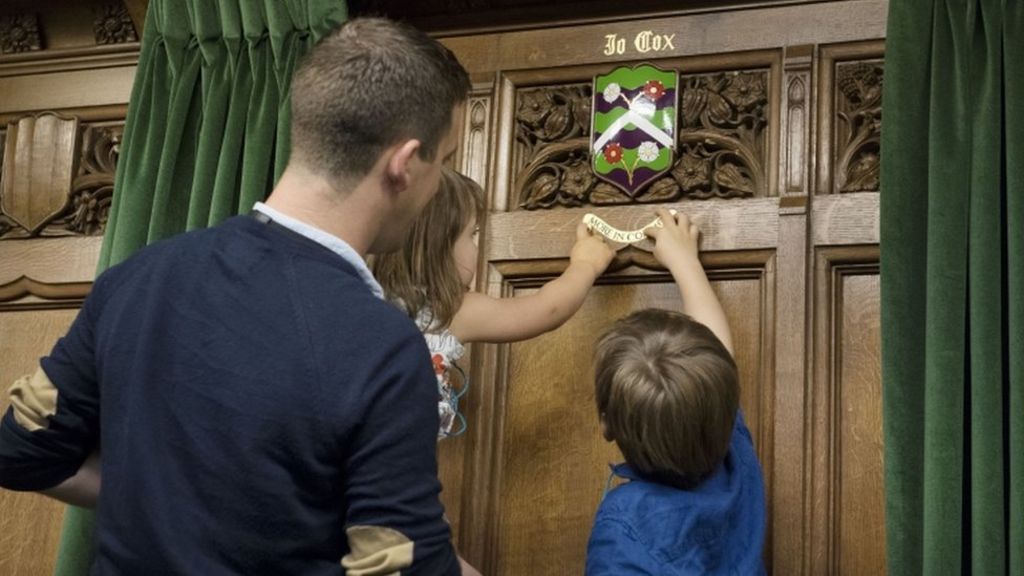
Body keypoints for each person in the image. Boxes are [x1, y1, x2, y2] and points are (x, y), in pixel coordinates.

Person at [0, 18, 473, 575]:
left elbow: (19, 448)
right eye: (443, 162)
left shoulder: (135, 280)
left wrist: (166, 499)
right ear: (404, 162)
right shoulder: (381, 346)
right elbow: (398, 568)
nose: (438, 183)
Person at [584, 208, 767, 575]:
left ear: (606, 424)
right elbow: (717, 350)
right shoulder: (732, 455)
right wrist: (686, 262)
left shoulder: (622, 524)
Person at [372, 167, 616, 440]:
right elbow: (548, 309)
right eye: (471, 234)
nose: (476, 247)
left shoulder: (362, 304)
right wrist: (585, 265)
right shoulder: (450, 313)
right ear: (440, 247)